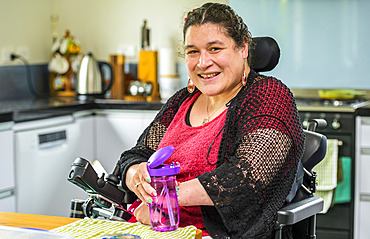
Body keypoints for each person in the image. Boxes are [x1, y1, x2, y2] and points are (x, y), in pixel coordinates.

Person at [117, 2, 305, 238]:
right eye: (193, 51)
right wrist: (136, 176)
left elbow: (244, 178)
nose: (202, 62)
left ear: (243, 48)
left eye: (215, 49)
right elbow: (133, 156)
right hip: (144, 227)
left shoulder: (269, 96)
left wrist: (165, 197)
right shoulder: (182, 100)